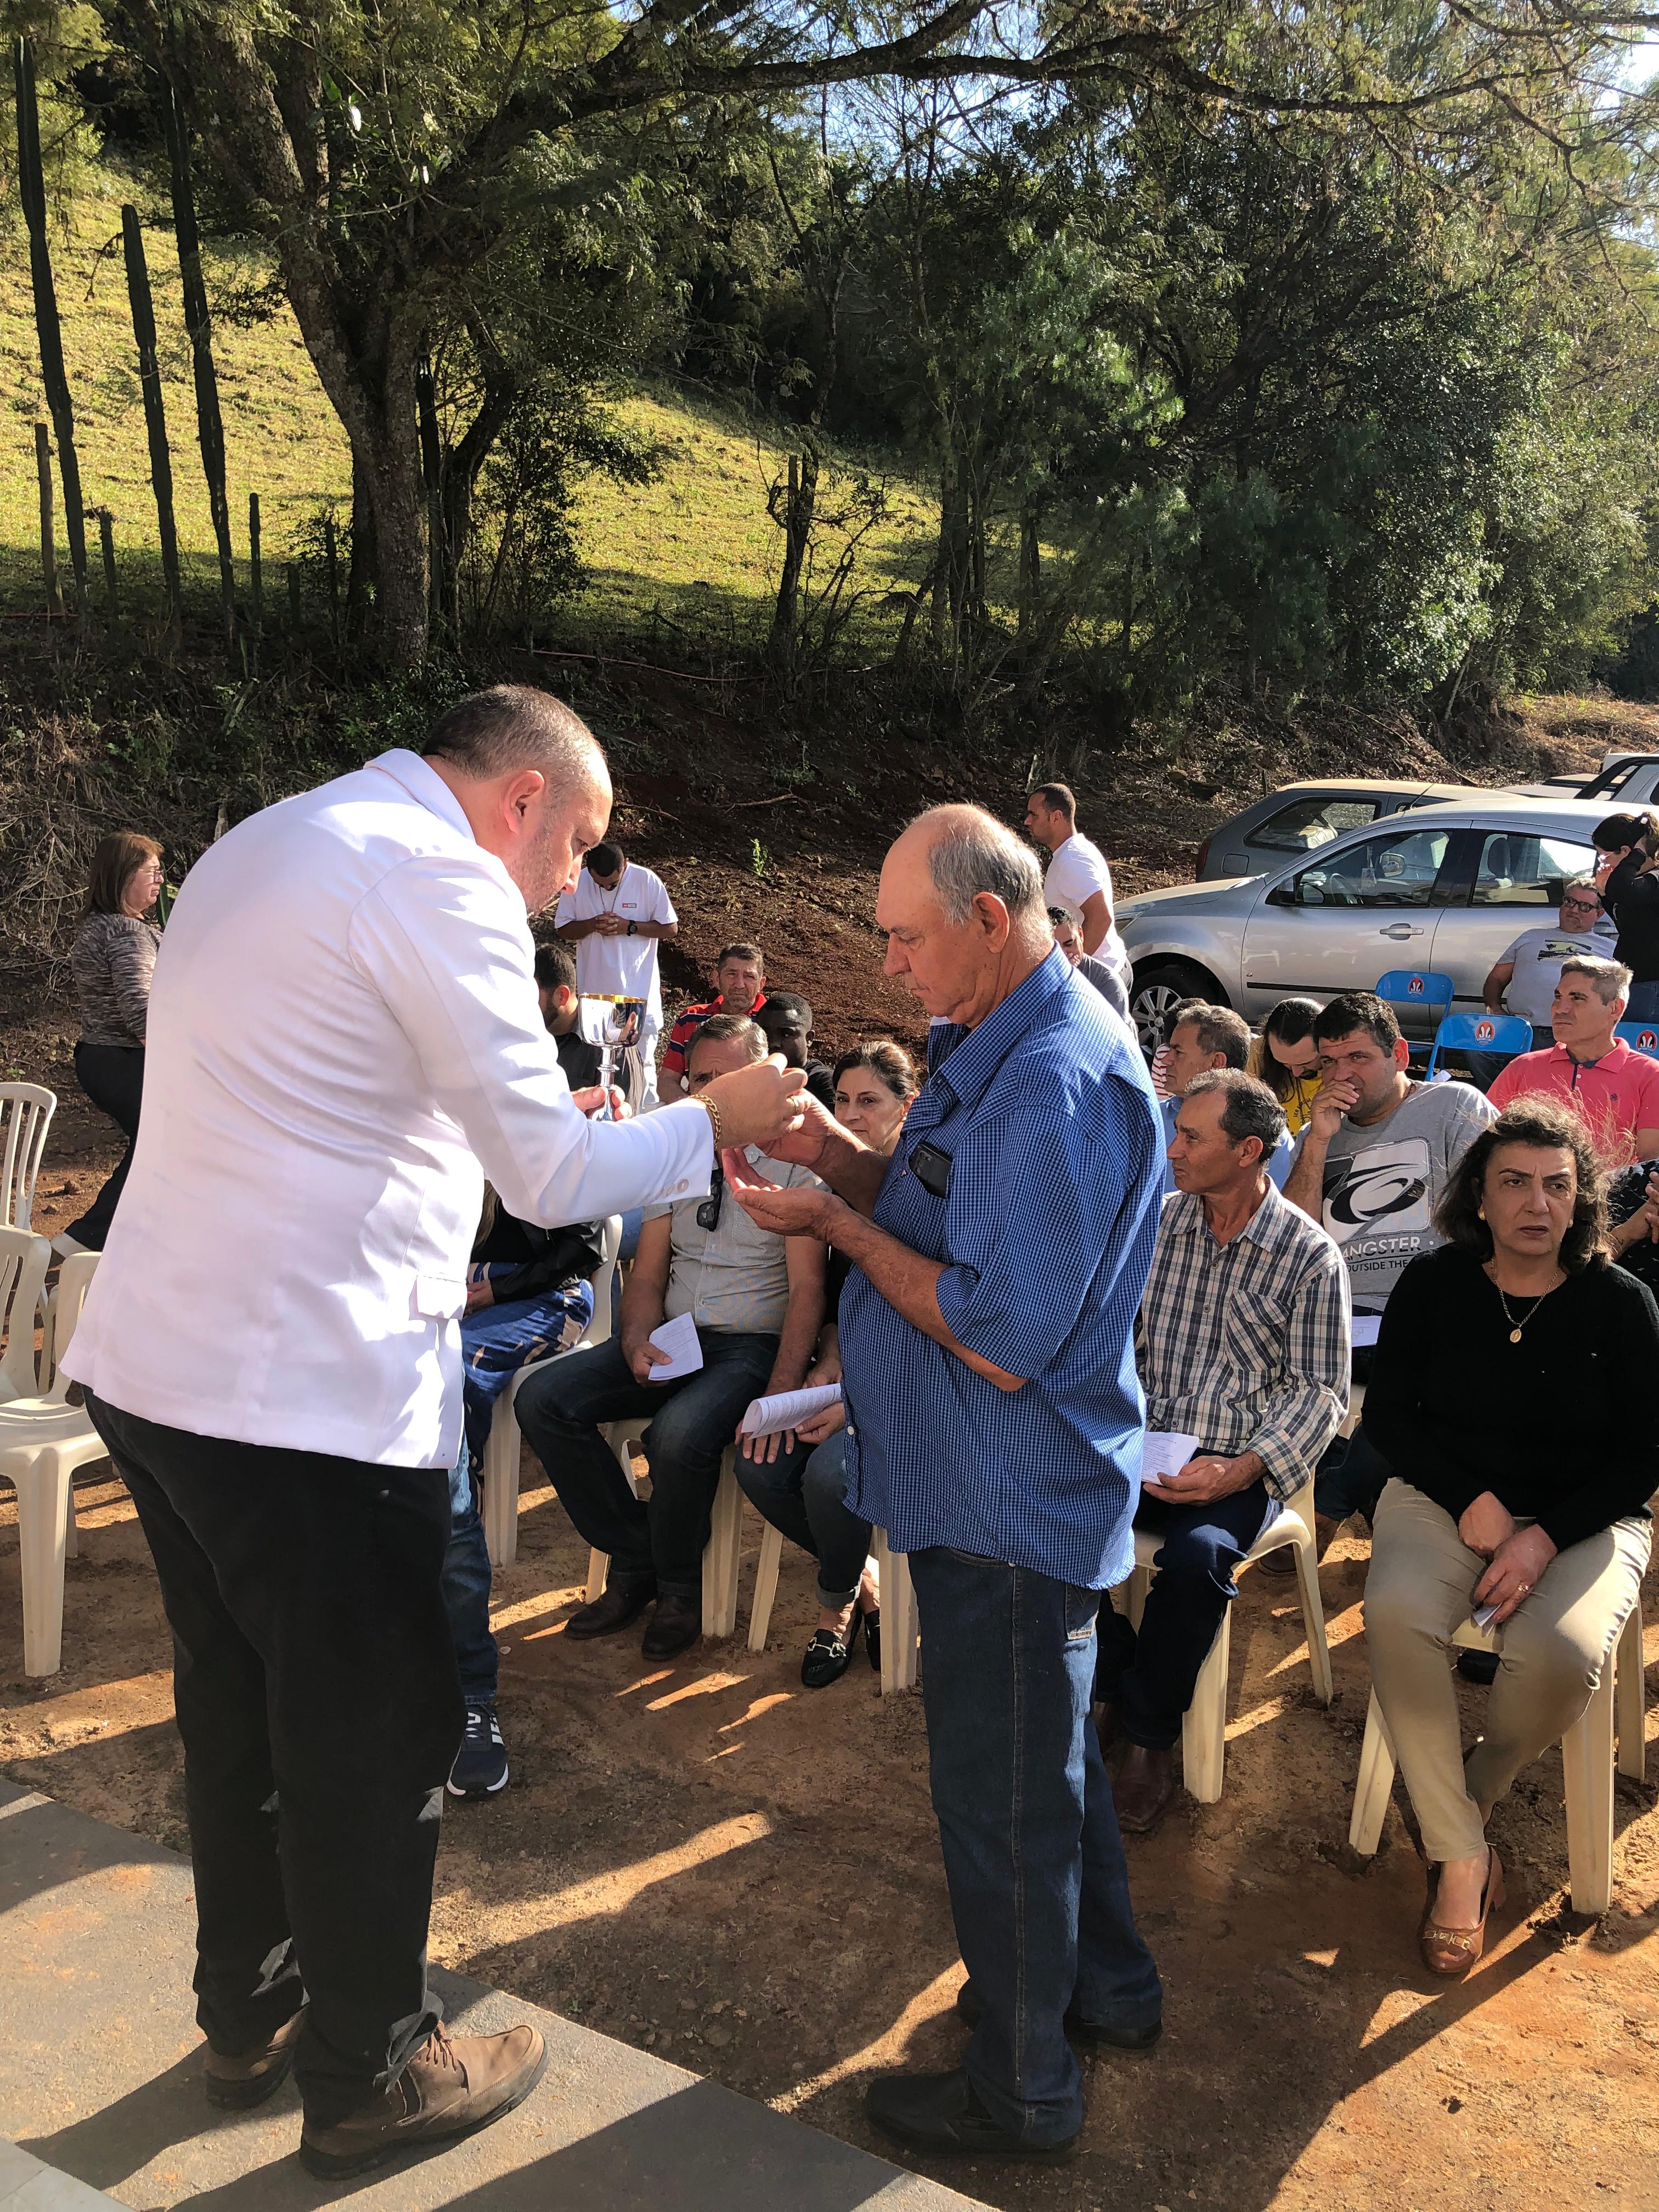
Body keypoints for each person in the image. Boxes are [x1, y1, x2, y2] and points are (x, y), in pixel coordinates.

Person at [62, 686, 806, 2179]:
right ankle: (374, 2071)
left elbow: (351, 1092)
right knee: (370, 1732)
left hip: (162, 1364)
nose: (568, 889)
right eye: (577, 848)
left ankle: (252, 2015)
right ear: (521, 798)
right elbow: (545, 1175)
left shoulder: (276, 837)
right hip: (304, 1398)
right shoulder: (443, 879)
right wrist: (717, 1119)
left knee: (238, 1710)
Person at [724, 805, 1165, 2161]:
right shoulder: (999, 1036)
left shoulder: (1052, 1081)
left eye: (908, 940)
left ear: (989, 918)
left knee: (1005, 1802)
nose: (892, 969)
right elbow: (940, 1205)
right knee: (1051, 1767)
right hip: (994, 1491)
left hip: (1009, 1503)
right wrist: (838, 1161)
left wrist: (838, 1224)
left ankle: (1023, 2088)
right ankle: (1108, 1990)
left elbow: (1001, 1331)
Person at [1361, 1101, 1655, 1974]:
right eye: (1515, 1184)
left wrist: (1542, 1538)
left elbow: (1643, 1456)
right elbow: (1389, 1418)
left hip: (1588, 1516)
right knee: (1397, 1614)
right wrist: (1468, 1500)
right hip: (1445, 1504)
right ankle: (1462, 1863)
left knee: (1559, 1654)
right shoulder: (1436, 1283)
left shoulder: (1622, 1304)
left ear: (1582, 1199)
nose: (1538, 1204)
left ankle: (1466, 1801)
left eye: (1558, 1185)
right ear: (1480, 1199)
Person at [517, 1015, 826, 1660]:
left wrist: (778, 1393)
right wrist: (634, 1339)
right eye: (698, 1081)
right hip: (677, 1335)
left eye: (724, 1079)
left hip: (750, 1345)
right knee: (544, 1399)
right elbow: (649, 1275)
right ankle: (639, 1557)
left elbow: (806, 1295)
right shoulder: (676, 1158)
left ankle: (678, 1588)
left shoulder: (797, 1166)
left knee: (679, 1434)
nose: (707, 1095)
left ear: (759, 1078)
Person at [1096, 1073, 1347, 1833]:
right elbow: (1114, 1340)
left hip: (1241, 1456)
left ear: (1248, 1151)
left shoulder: (1307, 1256)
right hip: (1145, 1440)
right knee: (1035, 1510)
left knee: (1199, 1560)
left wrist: (1240, 1468)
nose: (1174, 1150)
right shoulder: (1157, 1224)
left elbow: (1319, 1394)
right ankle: (1115, 1674)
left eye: (1192, 1138)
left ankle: (1146, 1736)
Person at [734, 1041, 919, 1687]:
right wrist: (830, 1363)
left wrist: (854, 1397)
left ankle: (832, 1611)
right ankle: (866, 1582)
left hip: (919, 1385)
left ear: (908, 1106)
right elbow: (840, 1301)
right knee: (758, 1459)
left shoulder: (925, 1189)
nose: (853, 1113)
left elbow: (926, 1312)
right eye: (842, 1100)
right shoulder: (826, 1187)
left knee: (828, 1476)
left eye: (869, 1101)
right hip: (852, 1371)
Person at [1280, 991, 1494, 1536]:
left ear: (1399, 1054)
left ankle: (1330, 1505)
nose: (1341, 1075)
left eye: (1358, 1058)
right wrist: (1318, 1143)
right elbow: (1297, 1238)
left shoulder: (1454, 1107)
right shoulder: (1317, 1136)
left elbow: (1498, 1201)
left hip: (1434, 1305)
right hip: (1341, 1316)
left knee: (1419, 1367)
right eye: (1328, 1061)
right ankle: (1362, 1493)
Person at [58, 831, 165, 1256]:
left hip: (102, 1057)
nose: (160, 880)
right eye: (151, 872)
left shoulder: (100, 925)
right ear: (123, 877)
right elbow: (139, 1009)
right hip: (124, 1058)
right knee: (161, 1148)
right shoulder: (126, 933)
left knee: (156, 1149)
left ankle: (128, 1240)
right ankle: (77, 1245)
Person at [1486, 956, 1659, 1169]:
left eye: (1577, 998)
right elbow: (1486, 1143)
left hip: (1613, 1199)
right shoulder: (1523, 1067)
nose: (1560, 1008)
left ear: (1615, 1009)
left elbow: (1650, 1167)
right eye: (1558, 996)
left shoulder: (1650, 1075)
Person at [554, 840, 678, 1107]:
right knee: (597, 1074)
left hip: (637, 994)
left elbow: (670, 928)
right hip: (595, 1001)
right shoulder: (578, 882)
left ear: (626, 865)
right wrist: (591, 925)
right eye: (600, 885)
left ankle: (644, 1132)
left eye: (612, 884)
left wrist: (628, 926)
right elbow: (563, 929)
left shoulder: (646, 881)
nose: (606, 889)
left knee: (642, 1072)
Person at [1155, 1001, 1292, 1195]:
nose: (1166, 1059)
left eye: (1178, 1052)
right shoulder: (1151, 1118)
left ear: (1216, 1062)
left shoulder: (1267, 1133)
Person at [1023, 781, 1132, 1010]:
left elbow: (1101, 918)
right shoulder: (1073, 853)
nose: (1027, 821)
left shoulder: (1072, 860)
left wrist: (1074, 972)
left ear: (1056, 817)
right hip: (1106, 973)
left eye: (1034, 814)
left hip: (1099, 982)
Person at [1480, 881, 1612, 1047]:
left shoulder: (1610, 949)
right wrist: (1494, 1009)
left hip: (1573, 1033)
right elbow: (1496, 979)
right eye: (1570, 902)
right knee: (1476, 1050)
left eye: (1584, 906)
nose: (1574, 910)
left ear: (1599, 914)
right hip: (1519, 1026)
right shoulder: (1531, 937)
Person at [661, 942, 768, 1090]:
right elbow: (667, 1080)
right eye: (732, 974)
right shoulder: (691, 1018)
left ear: (761, 984)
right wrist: (691, 1109)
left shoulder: (775, 1022)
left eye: (749, 977)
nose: (740, 984)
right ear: (717, 979)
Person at [1245, 997, 1323, 1137]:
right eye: (1284, 1063)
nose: (1296, 1073)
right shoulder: (1257, 1054)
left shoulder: (1344, 1062)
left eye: (1305, 1064)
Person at [755, 989, 836, 1109]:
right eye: (765, 1034)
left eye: (786, 1035)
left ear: (809, 1039)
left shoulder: (823, 1083)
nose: (773, 1043)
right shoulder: (750, 1077)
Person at [1048, 904, 1130, 1021]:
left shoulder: (1107, 982)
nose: (1063, 954)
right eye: (1054, 947)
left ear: (1081, 934)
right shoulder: (1032, 976)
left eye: (1069, 944)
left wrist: (1071, 978)